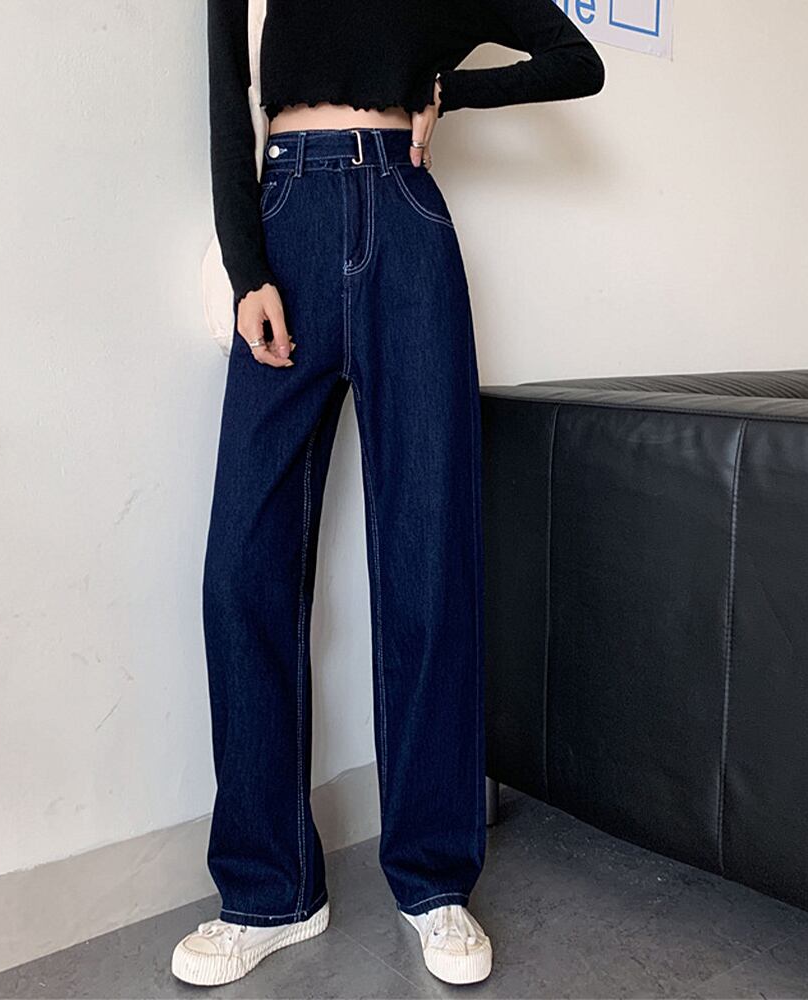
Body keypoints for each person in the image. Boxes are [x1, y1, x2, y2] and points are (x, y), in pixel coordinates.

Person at [171, 0, 605, 987]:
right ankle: (267, 890)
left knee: (427, 557)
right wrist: (246, 268)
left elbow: (574, 60)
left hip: (404, 221)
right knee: (241, 568)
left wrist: (452, 90)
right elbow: (227, 101)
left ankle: (433, 880)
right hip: (284, 221)